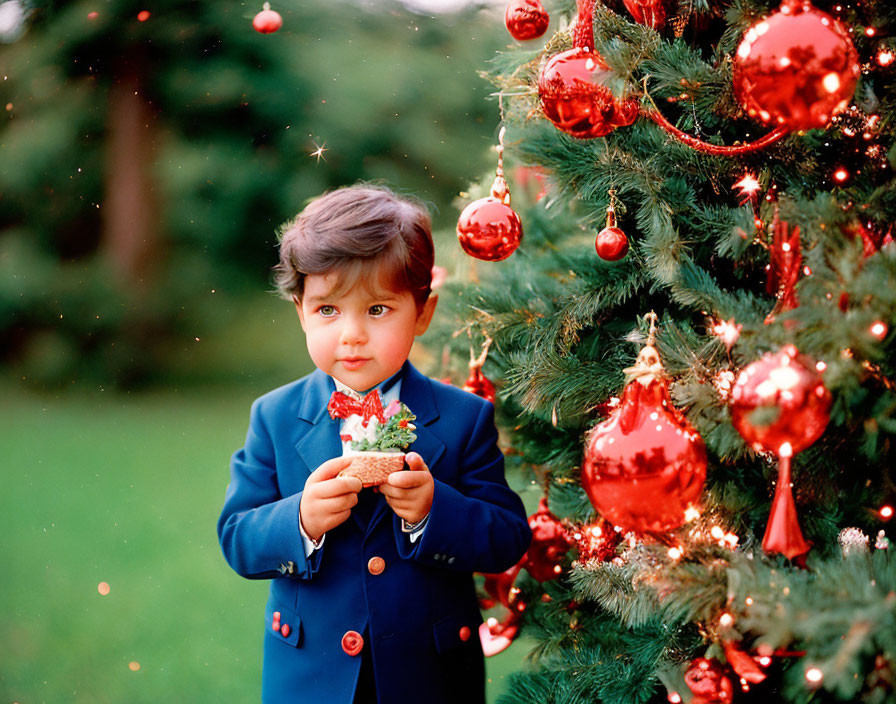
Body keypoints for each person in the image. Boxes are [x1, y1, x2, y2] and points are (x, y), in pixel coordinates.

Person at [217, 184, 532, 704]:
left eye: (379, 309)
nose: (352, 334)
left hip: (428, 679)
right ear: (301, 311)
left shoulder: (463, 418)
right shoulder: (273, 417)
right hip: (310, 679)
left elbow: (506, 538)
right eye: (328, 310)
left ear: (422, 314)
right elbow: (237, 538)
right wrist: (300, 520)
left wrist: (434, 510)